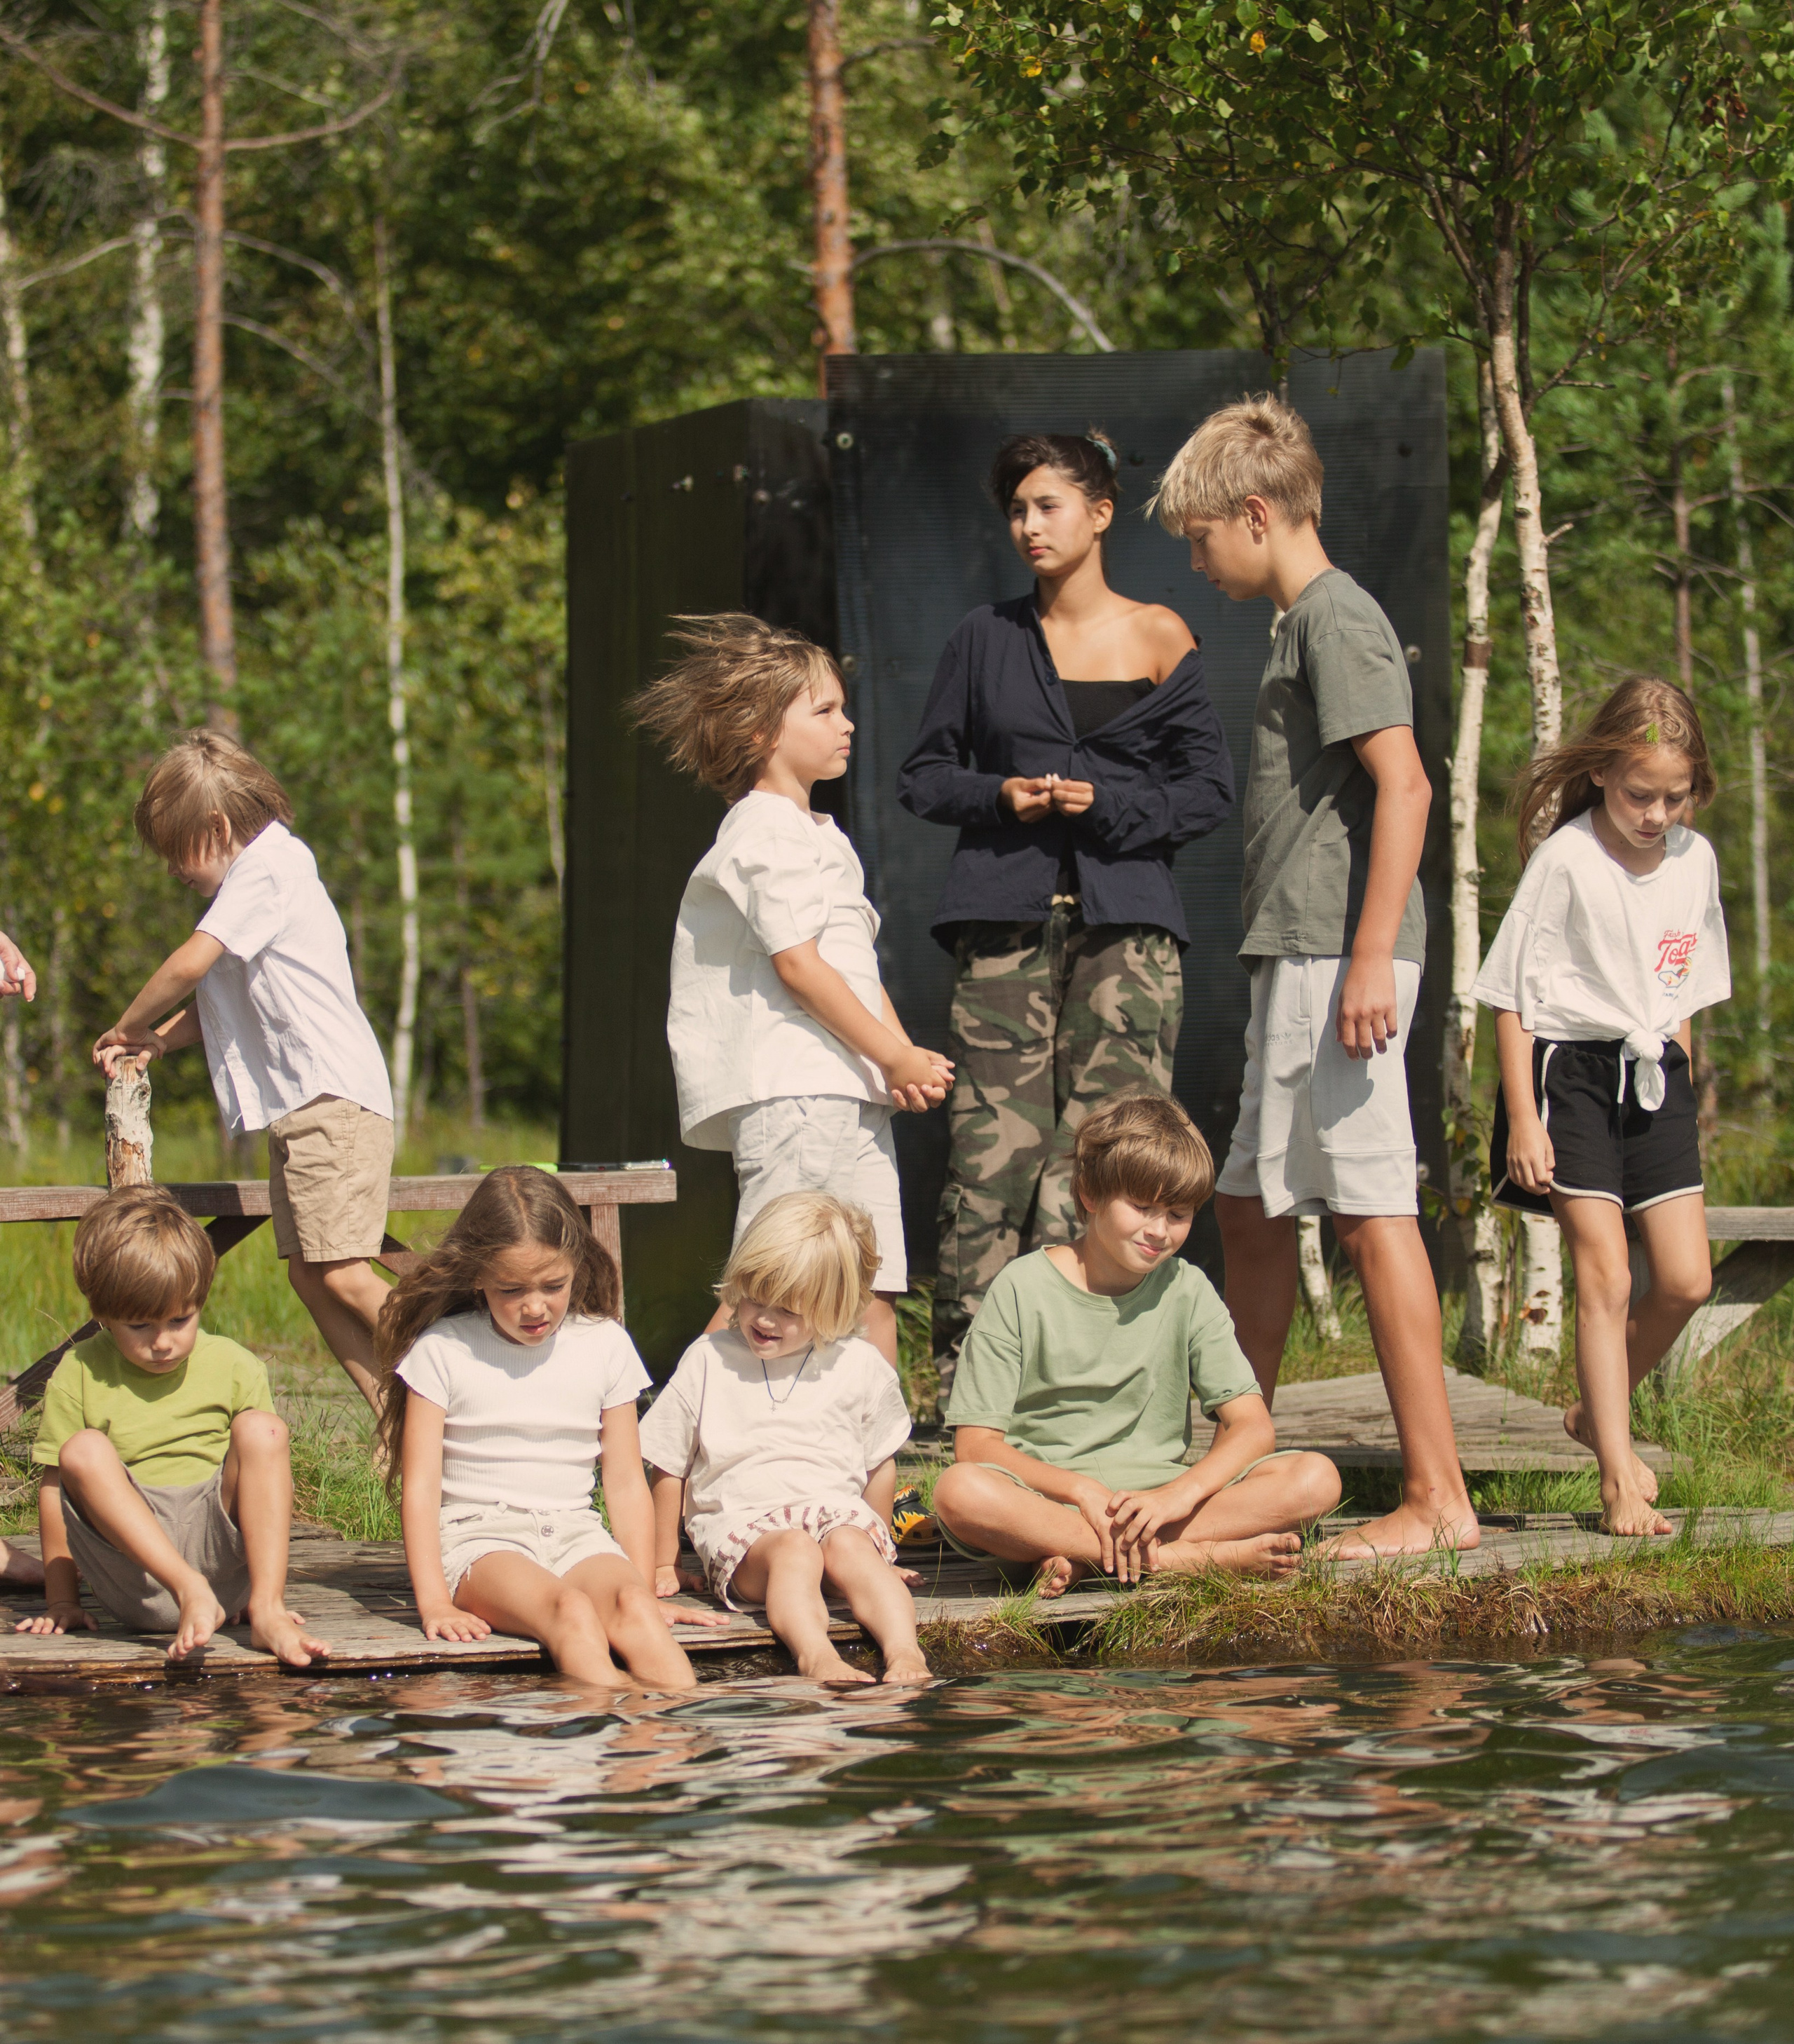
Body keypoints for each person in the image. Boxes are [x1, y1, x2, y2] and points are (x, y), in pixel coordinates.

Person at [1151, 393, 1479, 1558]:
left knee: (1372, 1213)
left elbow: (1408, 785)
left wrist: (1372, 957)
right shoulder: (1300, 625)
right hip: (1296, 953)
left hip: (1340, 957)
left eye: (1202, 538)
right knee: (1247, 1205)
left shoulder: (1338, 618)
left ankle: (1439, 1499)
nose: (1197, 562)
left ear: (1256, 513)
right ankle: (1241, 1460)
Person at [896, 430, 1233, 1401]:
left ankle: (1088, 1381)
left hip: (1129, 935)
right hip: (1002, 931)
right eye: (1016, 510)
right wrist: (1002, 796)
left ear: (1101, 512)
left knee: (1109, 1156)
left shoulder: (1161, 635)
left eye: (1047, 505)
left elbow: (1207, 791)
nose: (1029, 526)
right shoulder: (983, 638)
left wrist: (1110, 806)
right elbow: (925, 775)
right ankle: (968, 1390)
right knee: (989, 1159)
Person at [636, 613, 953, 1368]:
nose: (848, 724)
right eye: (825, 710)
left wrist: (896, 1056)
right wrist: (893, 1056)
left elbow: (852, 967)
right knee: (769, 1285)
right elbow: (800, 966)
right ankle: (672, 1435)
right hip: (797, 1096)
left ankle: (877, 1446)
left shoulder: (820, 833)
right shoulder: (763, 830)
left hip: (847, 1091)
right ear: (760, 733)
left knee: (870, 1287)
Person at [1475, 678, 1725, 1537]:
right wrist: (1523, 1117)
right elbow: (1509, 997)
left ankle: (1596, 1410)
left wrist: (1680, 1082)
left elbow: (1682, 986)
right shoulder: (1567, 860)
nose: (1655, 815)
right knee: (1606, 1276)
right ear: (1600, 775)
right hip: (1569, 1078)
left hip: (1654, 1075)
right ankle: (1618, 1480)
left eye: (1673, 797)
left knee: (1686, 1279)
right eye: (1637, 795)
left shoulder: (1695, 860)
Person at [92, 731, 395, 1415]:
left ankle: (457, 1364)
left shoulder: (268, 869)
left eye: (177, 851)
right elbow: (221, 1004)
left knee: (344, 1272)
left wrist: (127, 1025)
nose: (173, 869)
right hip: (304, 1106)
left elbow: (190, 965)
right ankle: (394, 1415)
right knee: (312, 1278)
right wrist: (157, 1043)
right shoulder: (254, 884)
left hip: (332, 1097)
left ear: (218, 828)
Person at [931, 1090, 1340, 1595]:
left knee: (1315, 1477)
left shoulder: (1187, 1289)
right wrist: (1079, 1490)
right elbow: (975, 1446)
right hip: (1050, 1506)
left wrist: (1179, 1494)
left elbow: (1253, 1427)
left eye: (1178, 1214)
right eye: (1142, 1207)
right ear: (1091, 1194)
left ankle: (1089, 1559)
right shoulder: (1020, 1287)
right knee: (960, 1491)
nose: (1159, 1231)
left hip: (1158, 1508)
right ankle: (1184, 1561)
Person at [376, 1165, 718, 1689]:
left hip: (577, 1535)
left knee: (634, 1608)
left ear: (576, 1267)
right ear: (477, 1276)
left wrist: (643, 1585)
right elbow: (420, 1488)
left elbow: (625, 1481)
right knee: (570, 1611)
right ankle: (612, 1715)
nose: (535, 1306)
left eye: (553, 1286)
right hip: (482, 1541)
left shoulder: (605, 1344)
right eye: (511, 1289)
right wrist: (435, 1603)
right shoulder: (443, 1351)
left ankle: (672, 1730)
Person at [13, 1185, 327, 1665]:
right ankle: (188, 1587)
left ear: (201, 1299)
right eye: (140, 1326)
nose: (162, 1342)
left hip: (222, 1567)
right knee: (81, 1450)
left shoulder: (234, 1365)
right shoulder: (80, 1370)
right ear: (103, 1315)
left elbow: (266, 1481)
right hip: (135, 1575)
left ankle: (268, 1609)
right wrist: (62, 1601)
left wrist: (256, 1591)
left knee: (264, 1430)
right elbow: (56, 1491)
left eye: (180, 1320)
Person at [641, 1191, 927, 1685]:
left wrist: (876, 1552)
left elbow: (879, 1462)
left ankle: (906, 1653)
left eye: (788, 1310)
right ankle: (816, 1655)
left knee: (851, 1547)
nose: (765, 1320)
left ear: (831, 1307)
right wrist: (664, 1561)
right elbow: (668, 1463)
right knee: (795, 1550)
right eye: (754, 1298)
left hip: (834, 1517)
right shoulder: (709, 1359)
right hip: (748, 1533)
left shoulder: (858, 1364)